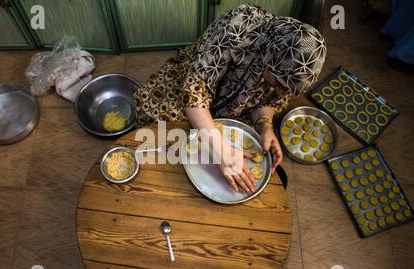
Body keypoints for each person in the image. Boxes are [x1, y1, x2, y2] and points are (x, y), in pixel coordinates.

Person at [133, 4, 327, 193]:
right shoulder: (240, 25)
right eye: (279, 83)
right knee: (165, 132)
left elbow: (266, 102)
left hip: (234, 108)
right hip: (185, 87)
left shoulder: (283, 73)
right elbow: (193, 91)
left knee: (240, 151)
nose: (281, 92)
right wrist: (221, 151)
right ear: (270, 58)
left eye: (288, 89)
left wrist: (264, 125)